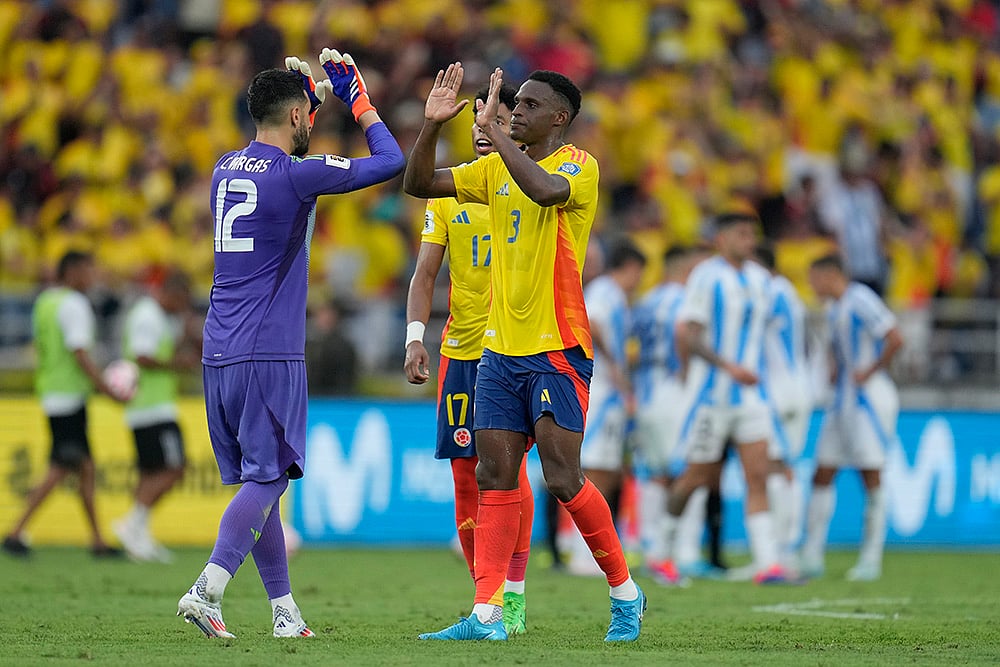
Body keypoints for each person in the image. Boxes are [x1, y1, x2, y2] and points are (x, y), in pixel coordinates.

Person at [405, 63, 645, 642]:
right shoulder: (492, 168)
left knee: (563, 478)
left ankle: (625, 593)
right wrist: (432, 125)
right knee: (493, 476)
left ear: (559, 118)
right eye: (516, 105)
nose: (517, 112)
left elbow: (544, 192)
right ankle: (487, 614)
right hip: (498, 353)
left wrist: (502, 139)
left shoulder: (576, 166)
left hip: (558, 347)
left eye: (530, 106)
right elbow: (418, 184)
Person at [176, 50, 404, 639]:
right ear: (300, 115)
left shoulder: (226, 167)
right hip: (269, 348)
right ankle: (208, 587)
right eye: (307, 113)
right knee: (271, 477)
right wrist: (356, 96)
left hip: (219, 347)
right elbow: (391, 160)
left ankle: (285, 613)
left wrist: (307, 94)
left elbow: (286, 144)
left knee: (262, 479)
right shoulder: (296, 176)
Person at [403, 83, 535, 637]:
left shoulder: (534, 187)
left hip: (513, 350)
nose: (483, 127)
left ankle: (513, 597)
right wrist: (415, 337)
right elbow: (426, 274)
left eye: (495, 117)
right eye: (477, 119)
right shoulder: (451, 190)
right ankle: (486, 598)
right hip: (460, 351)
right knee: (465, 477)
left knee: (508, 473)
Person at [665, 212, 788, 584]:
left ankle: (767, 564)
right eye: (740, 233)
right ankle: (661, 552)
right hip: (711, 396)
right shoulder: (706, 275)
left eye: (752, 234)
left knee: (758, 476)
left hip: (750, 397)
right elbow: (689, 334)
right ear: (721, 238)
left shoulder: (761, 280)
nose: (748, 240)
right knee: (696, 477)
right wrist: (728, 366)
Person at [2, 251, 124, 558]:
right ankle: (15, 531)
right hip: (69, 397)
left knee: (84, 467)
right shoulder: (74, 304)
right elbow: (79, 352)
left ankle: (97, 540)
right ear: (73, 271)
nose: (92, 277)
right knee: (62, 466)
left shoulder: (45, 301)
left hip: (51, 392)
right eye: (88, 270)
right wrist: (106, 389)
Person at [800, 253, 903, 581]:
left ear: (830, 275)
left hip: (868, 402)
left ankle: (871, 559)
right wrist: (835, 370)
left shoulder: (861, 298)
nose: (812, 286)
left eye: (814, 278)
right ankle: (811, 555)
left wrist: (869, 371)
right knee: (822, 472)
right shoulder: (835, 308)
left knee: (870, 475)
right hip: (841, 402)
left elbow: (895, 337)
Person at [631, 245, 715, 584]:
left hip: (647, 393)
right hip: (677, 393)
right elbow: (684, 332)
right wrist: (684, 370)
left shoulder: (647, 301)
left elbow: (630, 344)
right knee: (690, 469)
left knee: (656, 473)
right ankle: (685, 551)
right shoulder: (686, 300)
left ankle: (651, 545)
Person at [567, 239, 645, 576]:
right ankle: (581, 552)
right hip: (598, 390)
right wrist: (613, 364)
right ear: (629, 268)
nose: (639, 281)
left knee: (610, 470)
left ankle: (596, 547)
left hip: (612, 395)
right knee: (595, 468)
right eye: (638, 273)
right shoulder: (605, 291)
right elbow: (592, 324)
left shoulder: (616, 296)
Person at [113, 270, 199, 563]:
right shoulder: (147, 316)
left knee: (150, 471)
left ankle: (139, 536)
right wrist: (177, 363)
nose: (182, 307)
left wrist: (184, 336)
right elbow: (142, 357)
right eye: (181, 300)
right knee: (174, 467)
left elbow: (159, 352)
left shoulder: (159, 317)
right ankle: (132, 524)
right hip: (152, 407)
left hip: (150, 406)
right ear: (169, 293)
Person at [755, 244, 813, 573]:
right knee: (787, 466)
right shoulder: (790, 293)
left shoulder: (766, 290)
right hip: (799, 385)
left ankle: (779, 553)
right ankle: (787, 548)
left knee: (774, 467)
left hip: (775, 390)